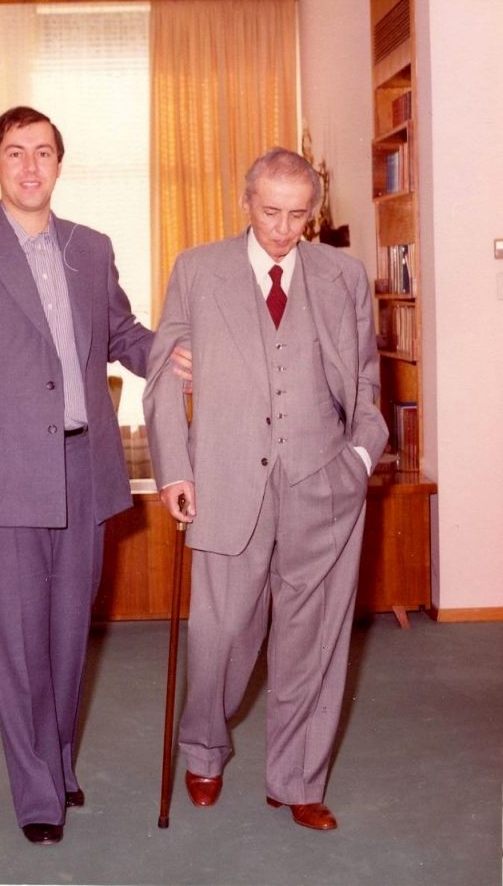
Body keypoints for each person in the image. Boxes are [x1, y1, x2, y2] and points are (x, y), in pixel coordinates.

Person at [0, 105, 189, 845]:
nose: (30, 166)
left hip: (83, 470)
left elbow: (121, 333)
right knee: (19, 644)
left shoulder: (90, 248)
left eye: (42, 152)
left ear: (59, 164)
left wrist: (173, 355)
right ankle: (37, 792)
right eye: (15, 152)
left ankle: (58, 760)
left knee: (68, 637)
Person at [143, 147, 388, 831]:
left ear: (313, 213)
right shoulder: (198, 269)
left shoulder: (342, 276)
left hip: (324, 483)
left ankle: (297, 780)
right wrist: (176, 471)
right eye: (270, 211)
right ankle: (203, 749)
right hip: (224, 481)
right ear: (245, 201)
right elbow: (162, 377)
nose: (282, 229)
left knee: (315, 638)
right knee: (220, 634)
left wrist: (358, 459)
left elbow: (365, 382)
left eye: (297, 215)